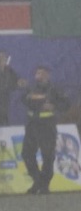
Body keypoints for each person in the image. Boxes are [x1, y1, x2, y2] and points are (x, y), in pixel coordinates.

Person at [21, 66, 71, 194]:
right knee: (27, 154)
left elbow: (66, 104)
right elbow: (23, 99)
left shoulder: (54, 89)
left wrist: (53, 106)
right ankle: (37, 180)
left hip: (47, 125)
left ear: (47, 75)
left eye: (42, 73)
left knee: (48, 155)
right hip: (32, 124)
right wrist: (30, 98)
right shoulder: (31, 88)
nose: (39, 75)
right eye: (37, 73)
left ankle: (44, 185)